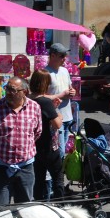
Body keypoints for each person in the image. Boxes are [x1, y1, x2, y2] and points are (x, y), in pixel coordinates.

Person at [0, 76, 42, 205]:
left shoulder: (34, 107)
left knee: (25, 209)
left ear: (24, 92)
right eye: (7, 88)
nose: (8, 92)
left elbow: (37, 132)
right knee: (0, 209)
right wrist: (1, 151)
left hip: (25, 167)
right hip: (1, 166)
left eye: (13, 90)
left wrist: (23, 150)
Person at [28, 69, 64, 201]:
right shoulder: (44, 101)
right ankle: (61, 204)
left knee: (39, 178)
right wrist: (58, 113)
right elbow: (57, 124)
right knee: (58, 177)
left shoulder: (28, 99)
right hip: (48, 145)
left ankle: (39, 203)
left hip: (34, 145)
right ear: (45, 84)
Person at [46, 43, 76, 159]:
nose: (65, 58)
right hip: (55, 118)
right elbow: (39, 97)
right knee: (60, 152)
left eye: (65, 55)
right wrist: (61, 95)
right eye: (62, 56)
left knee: (63, 152)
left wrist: (72, 92)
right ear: (53, 56)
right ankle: (55, 176)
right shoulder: (45, 73)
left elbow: (69, 88)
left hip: (68, 116)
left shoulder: (64, 71)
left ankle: (56, 175)